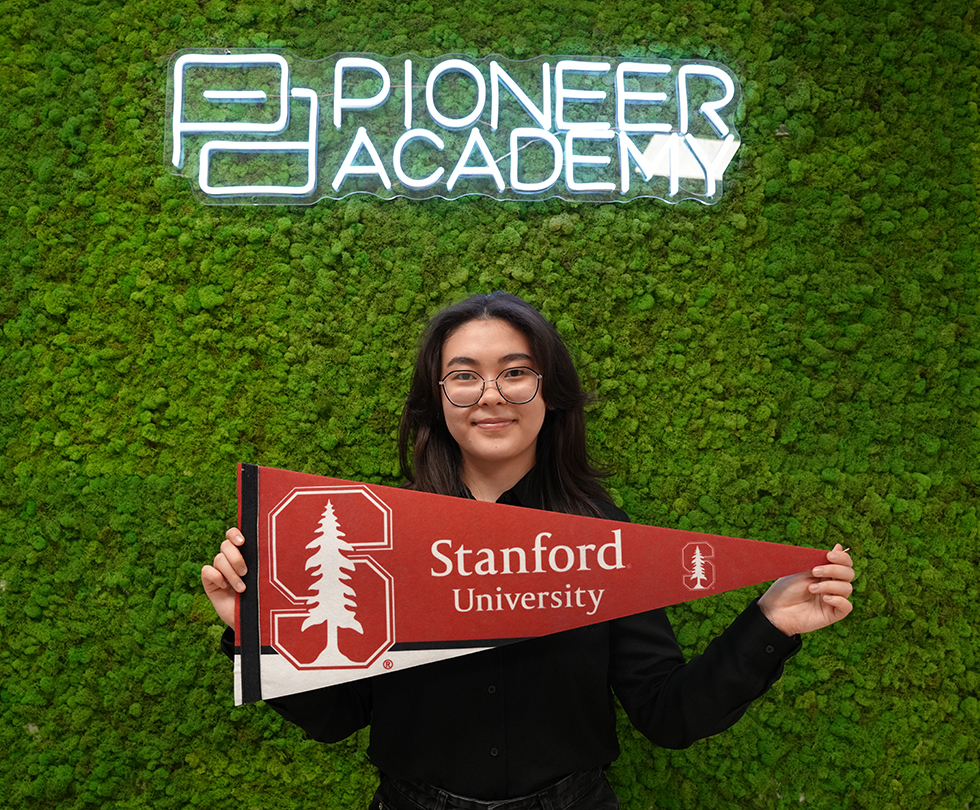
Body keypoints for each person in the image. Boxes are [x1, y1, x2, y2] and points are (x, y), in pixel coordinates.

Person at [202, 292, 855, 810]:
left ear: (550, 394)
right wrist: (249, 628)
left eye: (515, 373)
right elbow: (338, 716)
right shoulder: (382, 533)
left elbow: (667, 713)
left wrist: (771, 623)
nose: (490, 395)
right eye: (464, 377)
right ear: (438, 399)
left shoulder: (602, 536)